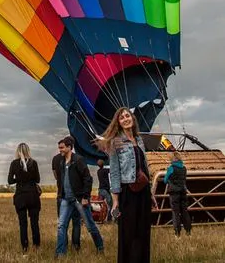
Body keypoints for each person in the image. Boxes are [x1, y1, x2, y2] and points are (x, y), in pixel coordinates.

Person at [99, 107, 157, 263]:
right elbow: (115, 172)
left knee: (143, 231)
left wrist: (151, 193)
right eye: (122, 117)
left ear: (132, 118)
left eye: (127, 116)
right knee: (129, 233)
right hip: (128, 192)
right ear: (118, 122)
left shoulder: (139, 140)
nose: (125, 119)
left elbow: (144, 166)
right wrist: (115, 200)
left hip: (143, 191)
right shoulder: (115, 142)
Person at [55, 136, 104, 257]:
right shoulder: (61, 162)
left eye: (62, 147)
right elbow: (62, 180)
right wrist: (61, 195)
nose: (60, 150)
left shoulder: (78, 160)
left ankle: (100, 247)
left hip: (79, 199)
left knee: (90, 226)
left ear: (69, 147)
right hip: (66, 199)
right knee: (61, 225)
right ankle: (60, 253)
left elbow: (88, 179)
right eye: (59, 148)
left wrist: (86, 197)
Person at [8, 143, 41, 256]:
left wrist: (19, 179)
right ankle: (36, 246)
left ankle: (25, 248)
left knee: (23, 224)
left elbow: (10, 181)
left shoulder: (14, 163)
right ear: (28, 151)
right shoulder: (34, 163)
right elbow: (38, 179)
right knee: (34, 223)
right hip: (33, 195)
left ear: (18, 151)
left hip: (20, 196)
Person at [52, 137, 81, 251]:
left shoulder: (55, 159)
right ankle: (76, 246)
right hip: (74, 194)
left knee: (62, 224)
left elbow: (55, 176)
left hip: (61, 193)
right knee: (76, 222)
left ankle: (63, 247)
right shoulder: (77, 159)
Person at [164, 151, 191, 236]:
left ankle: (177, 233)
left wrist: (169, 179)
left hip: (174, 193)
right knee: (184, 211)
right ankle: (188, 231)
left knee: (175, 213)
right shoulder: (184, 168)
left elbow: (165, 180)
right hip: (183, 192)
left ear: (173, 159)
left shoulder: (171, 168)